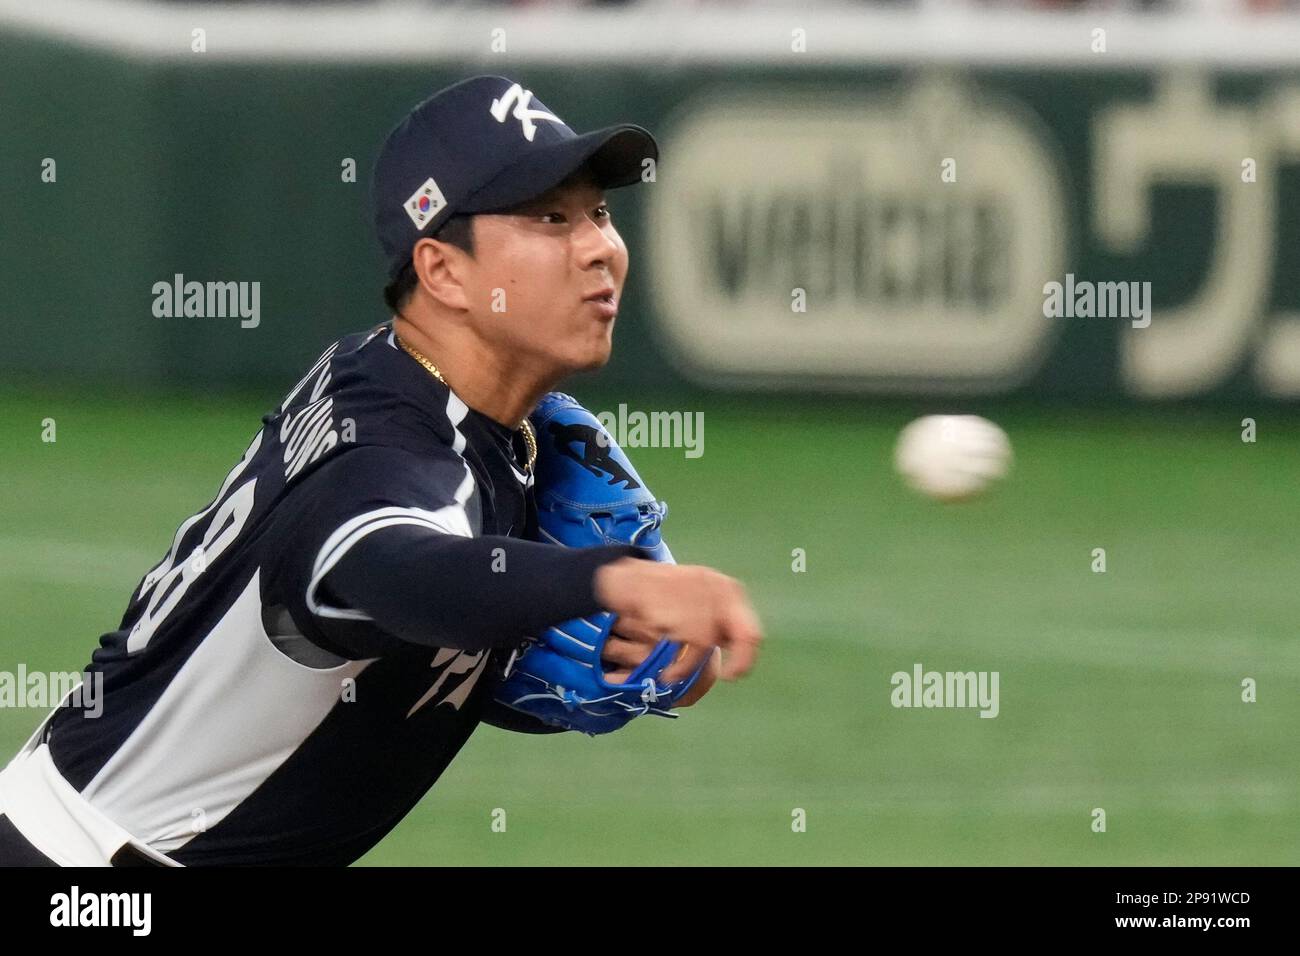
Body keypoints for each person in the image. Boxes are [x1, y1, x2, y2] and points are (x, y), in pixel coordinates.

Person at [0, 74, 762, 867]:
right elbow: (394, 569)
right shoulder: (384, 457)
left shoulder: (451, 405)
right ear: (443, 272)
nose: (600, 246)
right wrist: (613, 582)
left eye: (599, 213)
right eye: (550, 218)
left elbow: (397, 646)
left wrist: (611, 645)